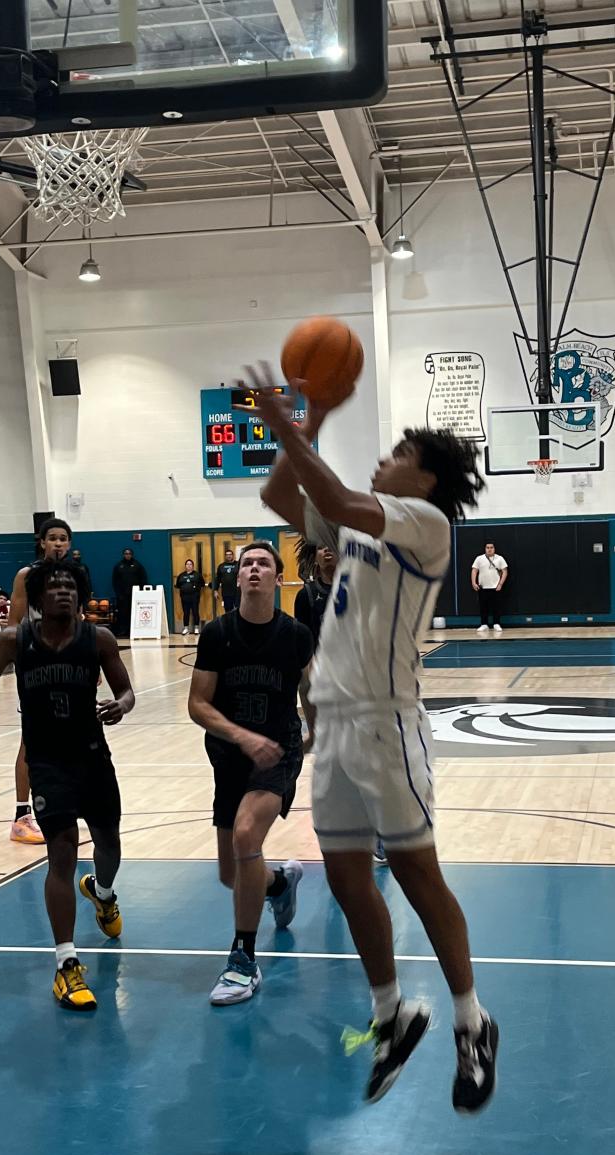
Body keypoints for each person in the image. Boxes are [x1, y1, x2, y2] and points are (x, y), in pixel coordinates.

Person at [256, 363, 498, 1111]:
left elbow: (326, 493)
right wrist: (314, 418)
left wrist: (289, 419)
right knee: (350, 880)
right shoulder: (357, 523)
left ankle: (471, 1020)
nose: (384, 457)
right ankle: (391, 1014)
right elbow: (279, 497)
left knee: (420, 879)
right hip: (331, 722)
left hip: (388, 723)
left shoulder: (427, 526)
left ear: (423, 480)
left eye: (397, 453)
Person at [0, 560, 135, 1011]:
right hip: (47, 762)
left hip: (93, 757)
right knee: (62, 851)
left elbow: (128, 691)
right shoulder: (15, 640)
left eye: (71, 586)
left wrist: (121, 705)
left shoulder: (99, 639)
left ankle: (104, 893)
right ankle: (66, 963)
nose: (63, 592)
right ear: (37, 597)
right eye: (54, 586)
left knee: (110, 843)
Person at [188, 541, 311, 1005]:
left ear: (278, 578)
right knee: (231, 875)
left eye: (263, 563)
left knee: (245, 837)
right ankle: (281, 882)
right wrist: (241, 737)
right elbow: (197, 704)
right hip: (231, 757)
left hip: (278, 751)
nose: (254, 569)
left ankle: (243, 961)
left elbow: (312, 690)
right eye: (247, 564)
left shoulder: (296, 635)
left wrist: (315, 735)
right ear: (236, 578)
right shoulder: (217, 634)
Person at [7, 517, 73, 845]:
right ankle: (21, 816)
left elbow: (77, 621)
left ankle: (56, 811)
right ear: (42, 542)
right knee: (30, 742)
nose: (58, 543)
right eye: (53, 538)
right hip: (36, 668)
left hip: (68, 668)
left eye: (64, 538)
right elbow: (13, 624)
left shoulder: (74, 575)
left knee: (66, 740)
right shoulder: (27, 576)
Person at [292, 540, 337, 749]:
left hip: (355, 665)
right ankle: (314, 733)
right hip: (320, 664)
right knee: (305, 680)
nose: (326, 549)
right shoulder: (306, 595)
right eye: (320, 547)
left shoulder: (357, 588)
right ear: (314, 557)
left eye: (330, 545)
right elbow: (302, 639)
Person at [471, 540, 508, 634]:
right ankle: (484, 624)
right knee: (483, 607)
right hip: (483, 587)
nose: (489, 549)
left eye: (491, 547)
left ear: (494, 548)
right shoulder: (479, 558)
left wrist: (500, 584)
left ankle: (496, 623)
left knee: (496, 607)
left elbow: (505, 571)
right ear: (485, 549)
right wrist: (473, 583)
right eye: (487, 548)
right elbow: (474, 570)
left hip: (495, 587)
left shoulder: (499, 558)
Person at [112, 548, 147, 636]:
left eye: (129, 553)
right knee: (123, 613)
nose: (127, 555)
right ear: (123, 554)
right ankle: (123, 630)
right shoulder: (119, 566)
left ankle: (134, 630)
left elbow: (143, 578)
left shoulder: (137, 565)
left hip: (135, 595)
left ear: (132, 554)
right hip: (122, 595)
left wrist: (141, 592)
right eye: (126, 553)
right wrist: (118, 593)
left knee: (134, 612)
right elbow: (115, 581)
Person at [175, 558, 204, 636]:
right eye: (187, 564)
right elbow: (178, 585)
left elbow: (202, 584)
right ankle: (186, 628)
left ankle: (196, 628)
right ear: (185, 566)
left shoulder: (197, 575)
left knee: (195, 612)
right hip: (184, 597)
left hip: (194, 597)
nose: (189, 566)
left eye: (190, 564)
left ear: (193, 566)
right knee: (186, 613)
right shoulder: (181, 575)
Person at [213, 548, 240, 614]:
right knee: (228, 611)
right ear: (225, 556)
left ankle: (238, 624)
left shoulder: (238, 565)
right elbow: (218, 579)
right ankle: (229, 624)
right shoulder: (221, 566)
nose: (229, 556)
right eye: (227, 555)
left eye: (230, 554)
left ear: (233, 555)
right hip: (226, 593)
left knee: (239, 610)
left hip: (237, 592)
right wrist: (215, 590)